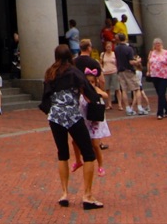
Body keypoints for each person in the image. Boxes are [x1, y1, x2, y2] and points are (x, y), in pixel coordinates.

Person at [40, 45, 103, 211]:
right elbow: (89, 93)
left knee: (62, 154)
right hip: (73, 115)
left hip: (55, 116)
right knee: (88, 153)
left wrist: (52, 110)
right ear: (69, 56)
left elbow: (45, 96)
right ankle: (87, 195)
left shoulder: (49, 73)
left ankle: (64, 193)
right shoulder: (75, 72)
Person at [70, 67, 110, 177]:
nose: (90, 84)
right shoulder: (81, 91)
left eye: (92, 82)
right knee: (75, 141)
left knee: (95, 144)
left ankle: (100, 165)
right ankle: (78, 160)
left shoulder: (95, 90)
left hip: (94, 120)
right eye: (88, 82)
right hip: (84, 119)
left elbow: (105, 95)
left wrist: (97, 95)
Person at [146, 38, 167, 119]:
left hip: (164, 75)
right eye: (156, 44)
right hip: (154, 75)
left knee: (161, 94)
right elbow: (149, 63)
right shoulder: (151, 53)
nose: (158, 45)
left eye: (159, 44)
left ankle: (160, 113)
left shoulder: (166, 53)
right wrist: (148, 71)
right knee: (161, 94)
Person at [114, 33, 142, 115]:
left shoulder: (116, 49)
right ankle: (139, 107)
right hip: (129, 70)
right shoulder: (129, 49)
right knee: (137, 88)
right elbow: (131, 61)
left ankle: (127, 108)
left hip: (120, 71)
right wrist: (137, 61)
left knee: (124, 90)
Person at [99, 41, 117, 109]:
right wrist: (102, 69)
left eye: (110, 47)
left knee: (117, 88)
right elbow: (100, 63)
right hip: (106, 72)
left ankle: (120, 104)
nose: (108, 48)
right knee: (107, 89)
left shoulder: (114, 54)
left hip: (114, 71)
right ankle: (109, 104)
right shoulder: (103, 54)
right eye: (107, 47)